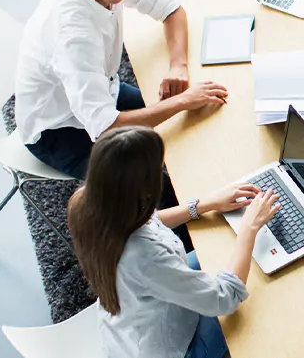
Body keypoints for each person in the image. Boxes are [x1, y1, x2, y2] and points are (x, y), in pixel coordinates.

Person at [15, 0, 224, 248]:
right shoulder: (73, 36)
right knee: (147, 192)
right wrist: (183, 100)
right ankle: (195, 250)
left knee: (186, 131)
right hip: (57, 129)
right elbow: (105, 128)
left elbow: (172, 9)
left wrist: (178, 65)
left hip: (102, 90)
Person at [68, 126, 280, 358]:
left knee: (224, 254)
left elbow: (148, 221)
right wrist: (249, 228)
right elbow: (224, 298)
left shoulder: (87, 201)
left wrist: (203, 204)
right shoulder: (145, 256)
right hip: (175, 347)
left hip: (131, 324)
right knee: (265, 310)